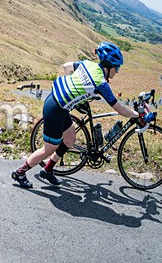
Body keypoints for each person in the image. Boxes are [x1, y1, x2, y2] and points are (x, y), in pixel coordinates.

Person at [11, 42, 156, 188]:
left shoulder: (88, 64)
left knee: (69, 139)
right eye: (117, 68)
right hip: (55, 109)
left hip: (59, 105)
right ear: (110, 66)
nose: (117, 71)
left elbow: (67, 67)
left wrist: (73, 91)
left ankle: (48, 169)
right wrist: (138, 115)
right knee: (48, 149)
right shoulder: (101, 83)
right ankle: (20, 172)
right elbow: (120, 109)